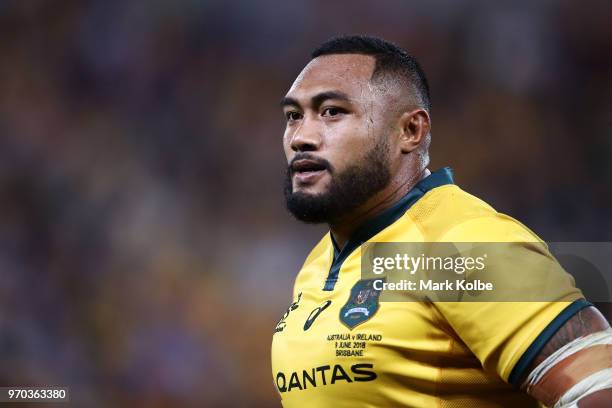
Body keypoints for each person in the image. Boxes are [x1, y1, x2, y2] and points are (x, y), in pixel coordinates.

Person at [271, 35, 612, 407]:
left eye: (332, 111)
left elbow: (598, 385)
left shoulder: (465, 242)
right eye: (294, 116)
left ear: (410, 131)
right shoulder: (320, 262)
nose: (301, 137)